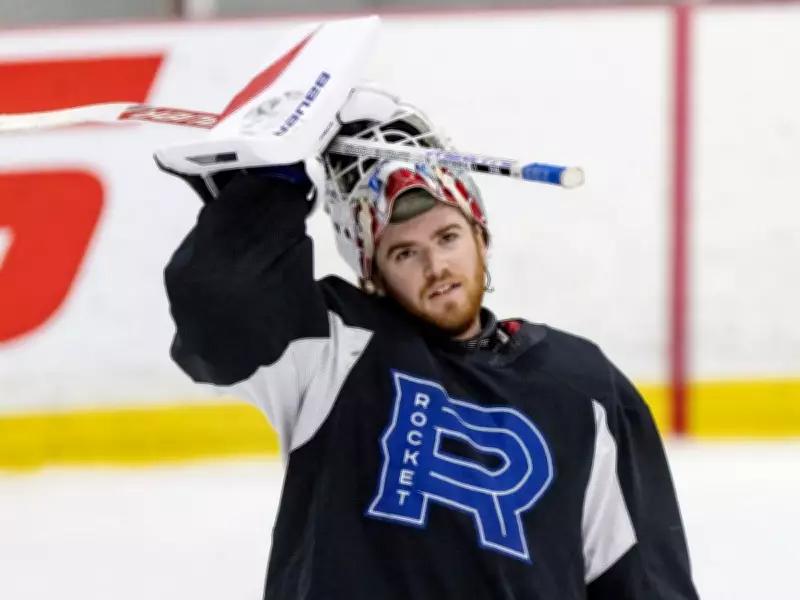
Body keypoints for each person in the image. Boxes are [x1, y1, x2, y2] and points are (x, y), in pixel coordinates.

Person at [161, 85, 700, 599]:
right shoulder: (335, 347)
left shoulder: (583, 383)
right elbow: (218, 314)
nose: (435, 265)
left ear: (481, 235)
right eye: (404, 253)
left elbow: (642, 577)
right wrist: (270, 185)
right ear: (372, 274)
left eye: (448, 237)